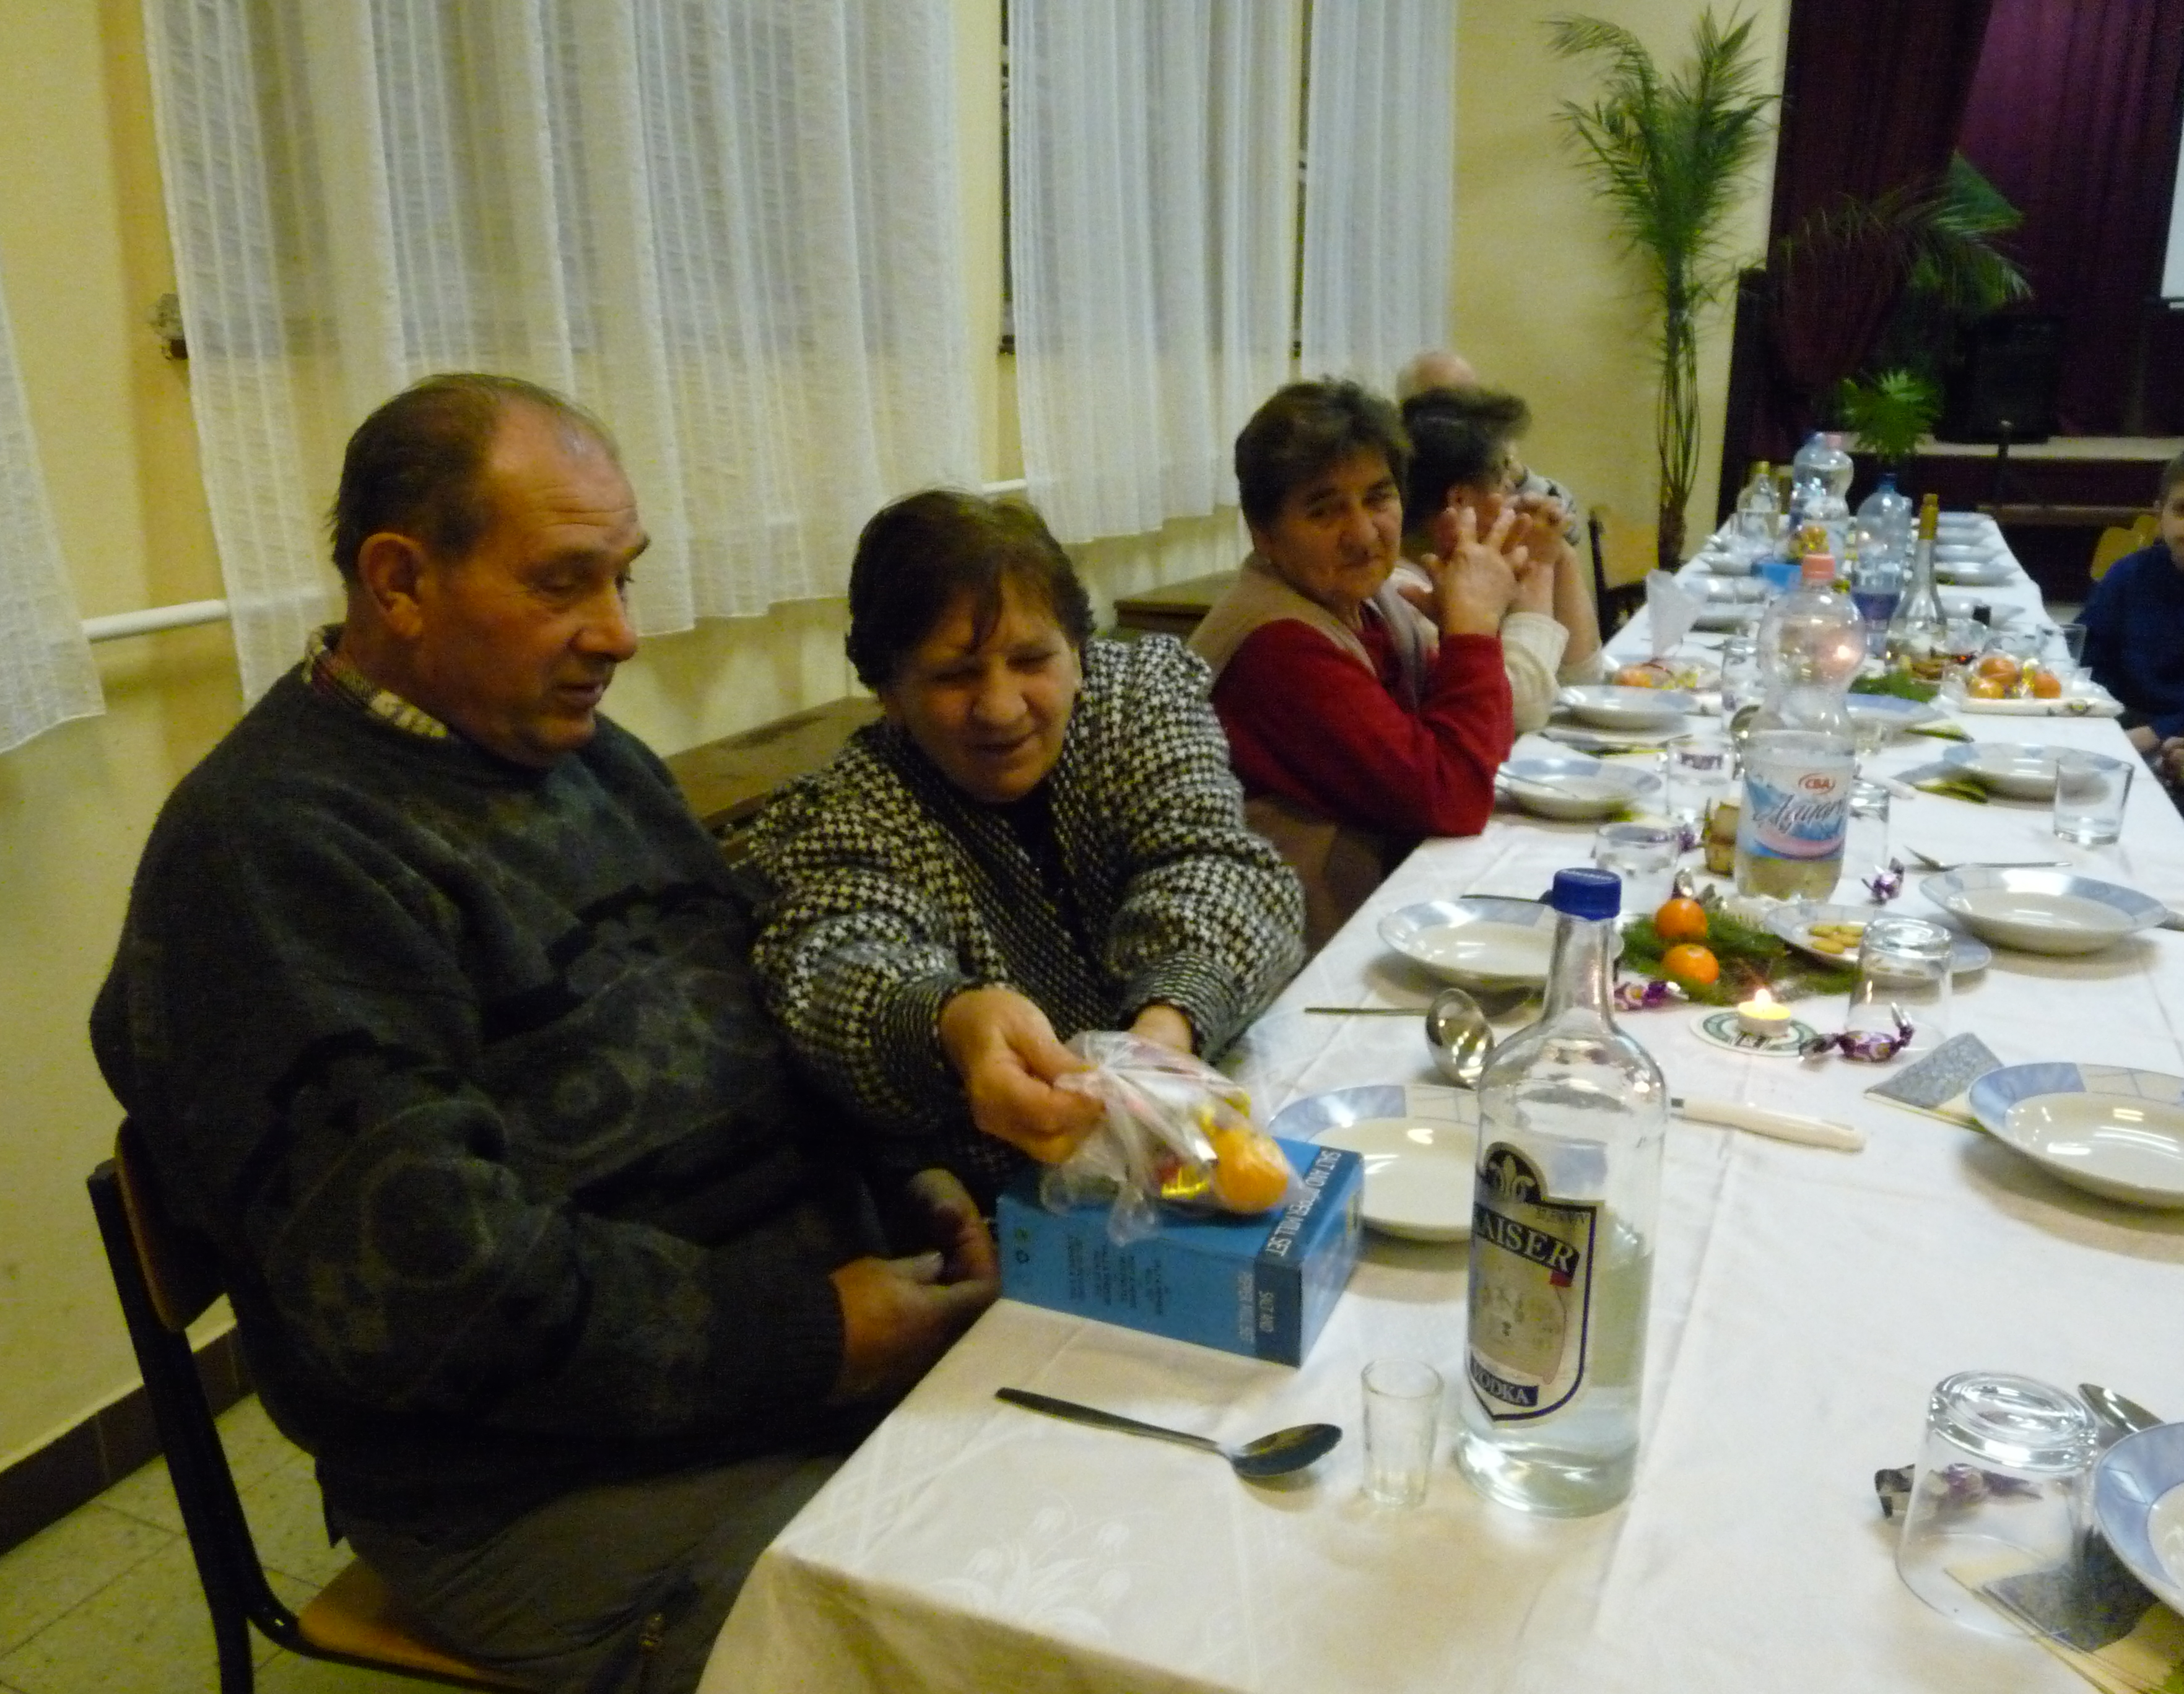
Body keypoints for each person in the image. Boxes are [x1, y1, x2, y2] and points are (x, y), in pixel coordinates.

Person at [90, 373, 997, 1694]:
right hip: (538, 1485)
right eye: (565, 583)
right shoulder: (269, 857)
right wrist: (814, 1335)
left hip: (777, 1361)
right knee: (981, 1636)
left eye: (623, 576)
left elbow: (753, 1021)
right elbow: (440, 1297)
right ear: (399, 583)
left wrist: (906, 1176)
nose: (619, 633)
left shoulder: (585, 759)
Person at [746, 489, 1304, 1206]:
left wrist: (1166, 1028)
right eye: (954, 675)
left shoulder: (1137, 701)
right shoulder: (844, 813)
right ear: (889, 693)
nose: (1001, 708)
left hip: (1205, 1138)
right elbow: (838, 965)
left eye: (1032, 659)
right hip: (1016, 1206)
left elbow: (1216, 864)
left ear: (1078, 651)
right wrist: (951, 1023)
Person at [1189, 379, 1518, 947]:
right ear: (1264, 534)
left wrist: (1460, 630)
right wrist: (1472, 633)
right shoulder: (1280, 646)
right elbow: (1453, 796)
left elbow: (1485, 746)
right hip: (1282, 959)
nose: (1364, 534)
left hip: (1369, 913)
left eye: (1378, 498)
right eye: (1325, 511)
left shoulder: (1370, 603)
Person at [1399, 384, 1603, 732]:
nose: (1514, 491)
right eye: (1502, 476)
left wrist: (1559, 554)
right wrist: (1539, 570)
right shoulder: (1405, 590)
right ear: (1460, 500)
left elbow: (1583, 681)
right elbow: (1520, 710)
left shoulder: (1477, 565)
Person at [1394, 346, 1582, 542]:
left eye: (1470, 396)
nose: (1464, 412)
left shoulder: (1509, 476)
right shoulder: (1394, 473)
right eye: (1442, 403)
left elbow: (1568, 529)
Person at [2081, 450, 2184, 759]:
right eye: (2182, 510)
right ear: (2159, 516)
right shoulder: (2131, 574)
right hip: (2122, 724)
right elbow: (2086, 658)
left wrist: (2159, 732)